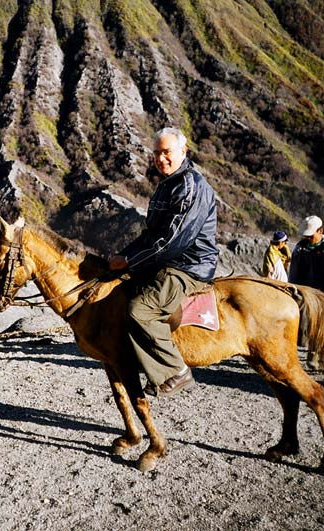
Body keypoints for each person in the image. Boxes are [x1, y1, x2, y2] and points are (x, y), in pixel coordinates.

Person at [108, 127, 218, 398]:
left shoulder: (191, 186)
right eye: (156, 153)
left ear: (184, 151)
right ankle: (148, 368)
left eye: (167, 152)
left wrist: (130, 261)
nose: (161, 159)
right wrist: (121, 256)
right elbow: (150, 235)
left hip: (188, 265)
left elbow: (172, 241)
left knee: (139, 310)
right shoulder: (167, 185)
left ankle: (176, 370)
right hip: (169, 260)